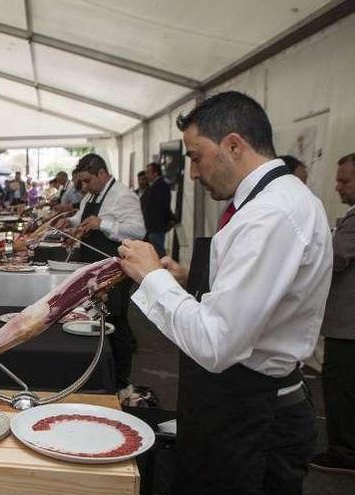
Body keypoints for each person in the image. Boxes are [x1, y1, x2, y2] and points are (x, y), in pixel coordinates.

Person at [118, 91, 332, 494]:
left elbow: (218, 341)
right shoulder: (265, 203)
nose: (193, 174)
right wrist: (188, 281)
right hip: (239, 403)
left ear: (233, 145)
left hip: (254, 417)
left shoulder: (272, 214)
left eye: (196, 157)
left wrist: (153, 279)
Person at [64, 154, 145, 393]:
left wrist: (103, 224)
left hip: (114, 269)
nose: (85, 187)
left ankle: (120, 379)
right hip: (91, 266)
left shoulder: (123, 195)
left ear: (102, 173)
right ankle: (101, 370)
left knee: (116, 320)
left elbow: (138, 230)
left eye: (88, 181)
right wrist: (68, 223)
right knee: (99, 318)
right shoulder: (92, 194)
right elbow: (79, 218)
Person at [311, 153, 355, 475]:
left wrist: (322, 240)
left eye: (344, 180)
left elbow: (336, 257)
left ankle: (344, 452)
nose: (337, 186)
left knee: (341, 388)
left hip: (348, 325)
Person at [140, 162, 173, 257]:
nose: (146, 175)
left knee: (158, 253)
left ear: (155, 173)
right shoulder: (152, 186)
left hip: (156, 226)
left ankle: (162, 270)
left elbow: (163, 207)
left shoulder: (161, 186)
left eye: (148, 172)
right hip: (151, 226)